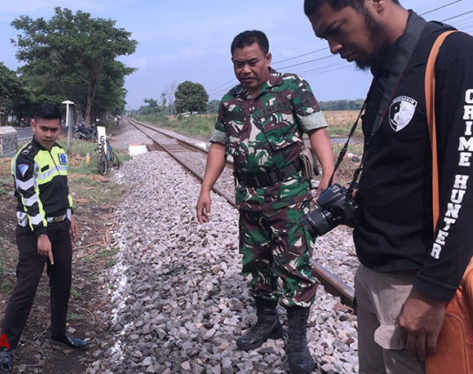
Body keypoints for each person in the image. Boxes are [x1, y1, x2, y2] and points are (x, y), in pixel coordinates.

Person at [304, 1, 473, 372]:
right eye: (323, 37)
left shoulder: (452, 55)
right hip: (372, 274)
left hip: (415, 284)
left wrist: (431, 292)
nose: (333, 47)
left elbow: (465, 182)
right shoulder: (385, 67)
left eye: (336, 29)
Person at [196, 30, 335, 374]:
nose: (245, 69)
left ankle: (297, 340)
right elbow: (218, 146)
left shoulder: (292, 88)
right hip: (250, 197)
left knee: (294, 265)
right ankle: (267, 321)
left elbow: (316, 131)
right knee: (256, 262)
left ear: (268, 59)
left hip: (289, 195)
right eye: (238, 63)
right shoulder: (229, 102)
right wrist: (205, 189)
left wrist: (328, 174)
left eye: (252, 62)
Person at [0, 103, 87, 373]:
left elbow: (62, 188)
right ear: (33, 125)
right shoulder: (25, 159)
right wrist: (41, 235)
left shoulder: (59, 152)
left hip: (60, 228)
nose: (49, 134)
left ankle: (59, 333)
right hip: (34, 231)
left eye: (54, 129)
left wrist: (71, 215)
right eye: (44, 128)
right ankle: (5, 347)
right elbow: (29, 200)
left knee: (62, 283)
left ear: (61, 128)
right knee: (26, 288)